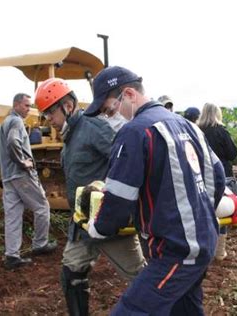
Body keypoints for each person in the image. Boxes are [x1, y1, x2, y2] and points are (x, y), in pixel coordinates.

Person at [85, 66, 226, 315]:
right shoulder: (188, 125)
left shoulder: (135, 132)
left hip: (177, 251)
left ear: (128, 94)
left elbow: (118, 199)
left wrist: (98, 227)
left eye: (109, 110)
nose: (111, 117)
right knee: (185, 308)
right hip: (201, 241)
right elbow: (218, 176)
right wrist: (200, 217)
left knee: (133, 310)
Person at [35, 78, 145, 316]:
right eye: (45, 115)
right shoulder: (70, 135)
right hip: (82, 221)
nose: (48, 121)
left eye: (50, 113)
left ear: (68, 105)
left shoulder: (94, 128)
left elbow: (124, 163)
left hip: (107, 220)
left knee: (139, 277)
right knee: (72, 271)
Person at [0, 93, 57, 270]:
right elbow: (12, 142)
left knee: (13, 216)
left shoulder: (5, 122)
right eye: (26, 105)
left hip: (8, 176)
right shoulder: (15, 121)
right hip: (21, 174)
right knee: (42, 207)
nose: (28, 109)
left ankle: (12, 256)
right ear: (16, 105)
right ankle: (40, 244)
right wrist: (23, 162)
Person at [197, 102, 237, 260]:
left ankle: (204, 247)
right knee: (223, 210)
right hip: (223, 175)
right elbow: (233, 153)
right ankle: (219, 251)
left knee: (205, 211)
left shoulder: (196, 131)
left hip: (201, 177)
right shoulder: (221, 131)